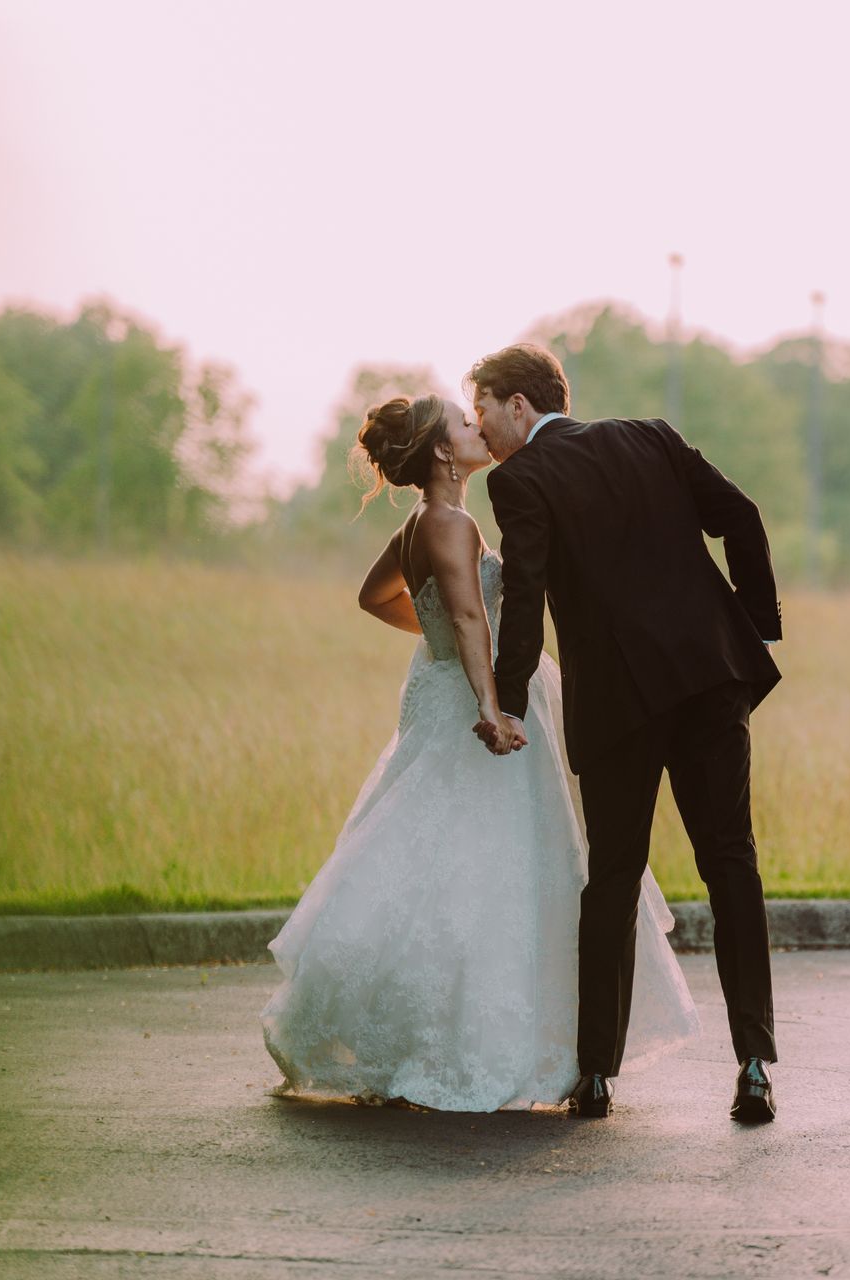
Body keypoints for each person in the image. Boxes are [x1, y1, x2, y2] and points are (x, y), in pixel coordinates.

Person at [260, 392, 697, 1112]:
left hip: (434, 690)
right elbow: (467, 614)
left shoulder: (417, 525)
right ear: (440, 451)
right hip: (474, 701)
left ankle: (419, 1025)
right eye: (464, 424)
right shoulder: (454, 522)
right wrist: (491, 705)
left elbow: (376, 597)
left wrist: (432, 637)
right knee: (495, 862)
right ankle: (481, 1042)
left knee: (434, 856)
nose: (478, 428)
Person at [470, 344, 784, 1123]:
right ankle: (753, 1065)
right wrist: (752, 627)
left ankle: (597, 1077)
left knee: (612, 877)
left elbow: (528, 593)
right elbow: (741, 517)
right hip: (711, 681)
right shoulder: (651, 435)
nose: (478, 425)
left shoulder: (520, 479)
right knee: (731, 863)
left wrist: (508, 700)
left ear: (519, 404)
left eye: (481, 406)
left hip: (618, 702)